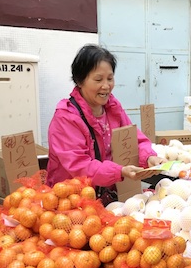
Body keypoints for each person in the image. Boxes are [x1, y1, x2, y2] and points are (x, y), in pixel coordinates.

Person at [47, 44, 165, 193]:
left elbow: (135, 140)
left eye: (110, 78)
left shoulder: (113, 108)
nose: (106, 86)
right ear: (79, 81)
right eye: (98, 80)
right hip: (72, 198)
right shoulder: (66, 118)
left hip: (106, 194)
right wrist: (119, 172)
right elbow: (80, 165)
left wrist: (149, 157)